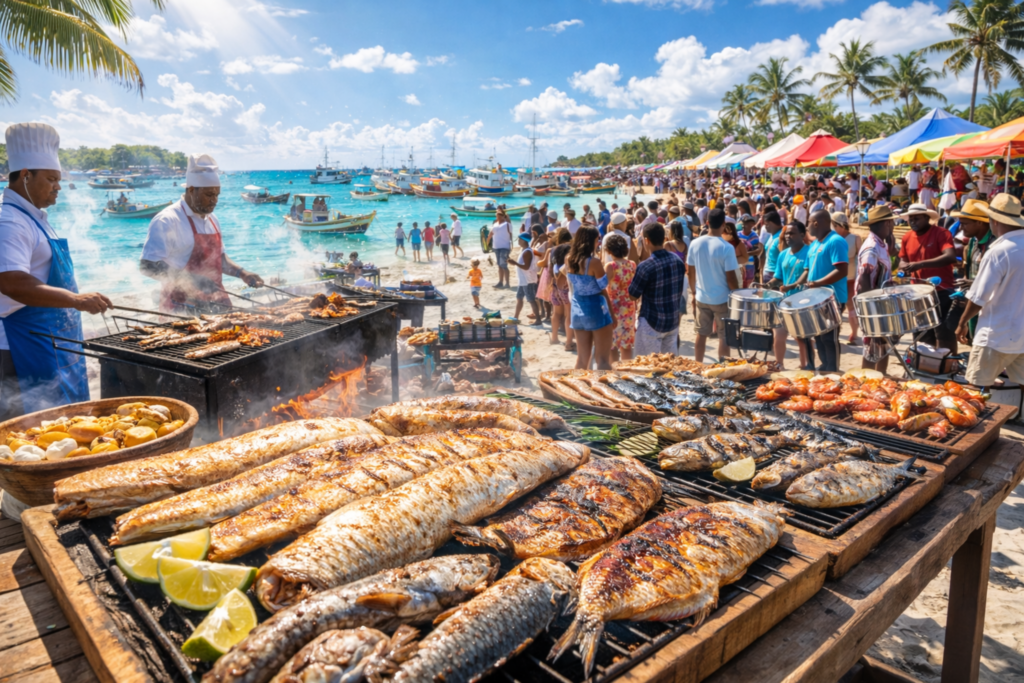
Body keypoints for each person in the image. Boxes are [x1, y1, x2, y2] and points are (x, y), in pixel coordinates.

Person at [0, 122, 113, 427]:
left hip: (55, 340)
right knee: (29, 432)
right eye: (51, 179)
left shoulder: (35, 218)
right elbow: (11, 282)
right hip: (22, 344)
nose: (58, 187)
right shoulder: (9, 220)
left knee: (66, 426)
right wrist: (75, 300)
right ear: (25, 176)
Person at [141, 153, 263, 313]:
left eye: (217, 195)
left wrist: (242, 273)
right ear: (191, 190)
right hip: (183, 309)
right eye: (209, 195)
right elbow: (148, 266)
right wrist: (192, 280)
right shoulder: (168, 220)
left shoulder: (212, 219)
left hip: (217, 305)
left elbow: (218, 258)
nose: (215, 200)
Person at [956, 194, 1024, 389]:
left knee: (974, 387)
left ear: (994, 221)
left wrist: (962, 323)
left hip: (995, 335)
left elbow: (979, 297)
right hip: (1022, 334)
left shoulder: (999, 250)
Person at [898, 202, 958, 354]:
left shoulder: (941, 233)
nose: (913, 222)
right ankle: (925, 366)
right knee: (921, 333)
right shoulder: (907, 237)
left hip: (941, 290)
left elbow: (950, 256)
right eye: (910, 219)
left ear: (927, 218)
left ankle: (948, 366)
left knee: (943, 333)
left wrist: (920, 265)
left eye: (917, 219)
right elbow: (902, 259)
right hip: (917, 292)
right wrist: (903, 267)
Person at [794, 210, 848, 372]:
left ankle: (833, 369)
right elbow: (808, 270)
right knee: (818, 335)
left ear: (816, 223)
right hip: (815, 298)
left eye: (809, 222)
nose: (807, 226)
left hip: (832, 297)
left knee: (829, 338)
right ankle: (825, 366)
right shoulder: (815, 243)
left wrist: (818, 283)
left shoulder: (836, 241)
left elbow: (842, 270)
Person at [687, 209, 739, 363]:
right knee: (724, 336)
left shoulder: (695, 243)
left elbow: (690, 272)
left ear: (707, 223)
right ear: (724, 224)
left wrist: (694, 293)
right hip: (722, 299)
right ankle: (722, 367)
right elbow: (731, 278)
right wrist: (736, 294)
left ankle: (698, 365)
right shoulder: (727, 247)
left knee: (701, 334)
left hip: (702, 297)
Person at [629, 223, 687, 356]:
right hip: (672, 321)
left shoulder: (646, 266)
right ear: (664, 238)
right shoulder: (677, 260)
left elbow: (633, 295)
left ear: (646, 240)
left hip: (651, 322)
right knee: (669, 368)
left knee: (644, 367)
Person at [854, 206, 897, 372]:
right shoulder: (871, 247)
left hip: (882, 304)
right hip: (873, 306)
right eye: (892, 222)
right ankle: (868, 381)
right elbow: (865, 276)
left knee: (883, 346)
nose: (893, 225)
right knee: (872, 349)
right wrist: (869, 312)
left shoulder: (881, 244)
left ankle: (882, 377)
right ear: (887, 222)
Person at [565, 227, 615, 370]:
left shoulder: (569, 259)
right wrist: (609, 274)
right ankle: (603, 390)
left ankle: (576, 388)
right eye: (597, 239)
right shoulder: (593, 262)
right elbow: (602, 285)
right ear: (591, 241)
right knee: (603, 361)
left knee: (582, 360)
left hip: (577, 307)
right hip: (595, 307)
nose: (599, 242)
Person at [769, 220, 812, 369]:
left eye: (792, 233)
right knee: (779, 335)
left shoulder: (810, 252)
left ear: (802, 235)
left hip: (803, 301)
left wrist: (793, 285)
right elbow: (778, 277)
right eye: (786, 233)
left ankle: (805, 365)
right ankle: (779, 364)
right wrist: (768, 284)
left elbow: (809, 273)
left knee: (802, 338)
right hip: (785, 302)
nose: (788, 236)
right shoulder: (783, 254)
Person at [951, 199, 992, 340]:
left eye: (964, 224)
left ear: (979, 222)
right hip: (974, 302)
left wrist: (974, 283)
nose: (960, 228)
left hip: (991, 308)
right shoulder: (973, 241)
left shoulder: (995, 245)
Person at [604, 235, 636, 361]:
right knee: (626, 343)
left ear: (609, 250)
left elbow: (603, 286)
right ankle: (625, 370)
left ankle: (615, 370)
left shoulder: (610, 266)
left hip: (614, 307)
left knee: (613, 344)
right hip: (629, 306)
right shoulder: (632, 264)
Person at [831, 212, 861, 344]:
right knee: (837, 308)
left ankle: (854, 334)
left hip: (849, 278)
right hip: (837, 278)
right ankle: (840, 334)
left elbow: (860, 259)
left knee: (849, 307)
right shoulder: (833, 238)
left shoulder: (854, 238)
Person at [488, 211, 513, 288]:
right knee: (499, 265)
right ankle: (500, 282)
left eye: (500, 216)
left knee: (504, 265)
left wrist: (511, 246)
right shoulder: (495, 224)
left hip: (504, 247)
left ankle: (507, 283)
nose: (498, 218)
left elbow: (511, 234)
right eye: (497, 216)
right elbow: (490, 234)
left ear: (504, 216)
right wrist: (487, 244)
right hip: (496, 247)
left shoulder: (508, 224)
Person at [737, 214, 761, 287]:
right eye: (745, 223)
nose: (746, 225)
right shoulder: (737, 234)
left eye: (749, 223)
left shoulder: (754, 236)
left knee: (749, 283)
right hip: (739, 263)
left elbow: (754, 249)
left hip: (750, 263)